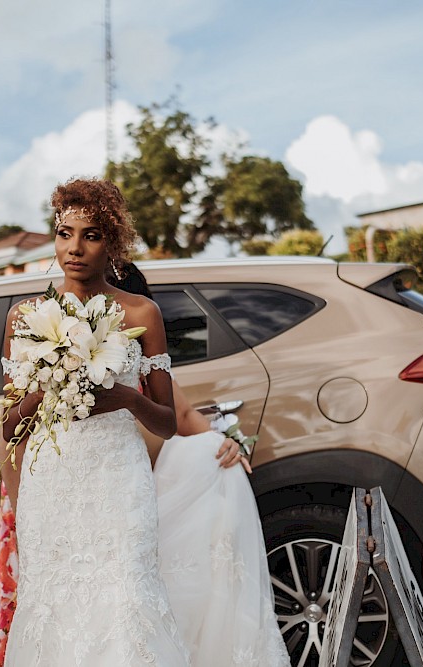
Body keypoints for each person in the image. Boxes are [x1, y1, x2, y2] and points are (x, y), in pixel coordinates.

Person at [0, 177, 188, 665]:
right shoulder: (25, 317)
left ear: (114, 244)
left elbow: (167, 423)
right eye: (65, 233)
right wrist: (47, 388)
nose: (75, 248)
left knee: (127, 595)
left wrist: (127, 397)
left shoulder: (141, 312)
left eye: (91, 235)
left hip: (118, 482)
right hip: (53, 486)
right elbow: (7, 427)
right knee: (53, 605)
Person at [114, 264, 289, 667]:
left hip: (144, 492)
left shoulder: (141, 357)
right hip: (105, 494)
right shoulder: (65, 350)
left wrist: (226, 443)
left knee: (212, 458)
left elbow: (186, 417)